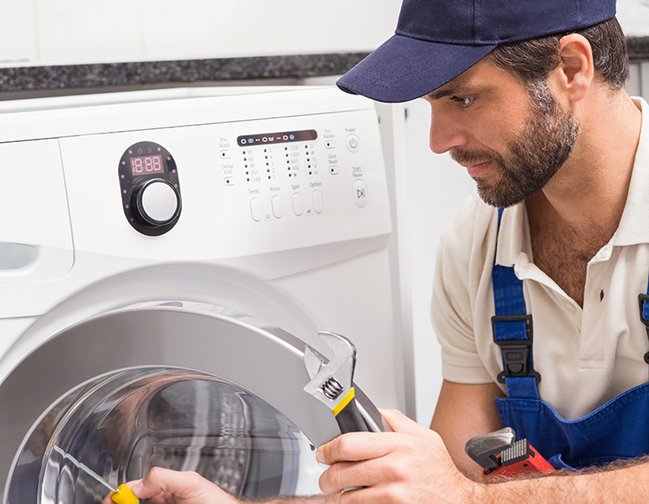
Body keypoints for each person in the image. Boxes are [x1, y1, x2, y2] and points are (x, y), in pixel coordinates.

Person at [105, 0, 649, 501]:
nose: (438, 139)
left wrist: (470, 498)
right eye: (432, 103)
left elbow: (462, 497)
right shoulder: (480, 245)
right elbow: (437, 489)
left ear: (571, 69)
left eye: (463, 98)